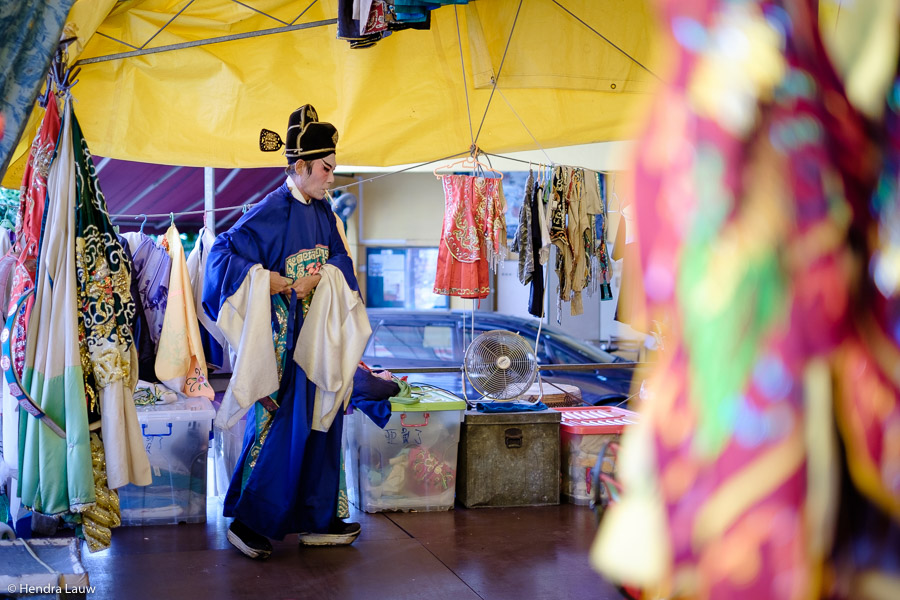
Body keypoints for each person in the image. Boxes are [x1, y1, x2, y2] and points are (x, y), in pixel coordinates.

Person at [203, 105, 364, 559]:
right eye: (326, 169)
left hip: (318, 338)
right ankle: (250, 521)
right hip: (280, 343)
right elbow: (220, 258)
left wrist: (328, 277)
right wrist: (277, 282)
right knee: (281, 430)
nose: (332, 177)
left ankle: (319, 518)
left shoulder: (324, 212)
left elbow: (341, 263)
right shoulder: (268, 211)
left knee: (324, 424)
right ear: (299, 166)